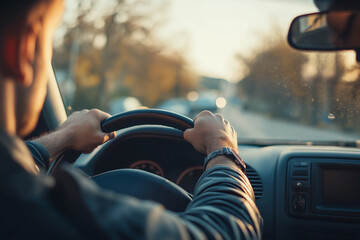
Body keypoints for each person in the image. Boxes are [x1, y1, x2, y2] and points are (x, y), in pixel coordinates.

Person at [0, 0, 262, 239]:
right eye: (49, 44)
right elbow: (226, 230)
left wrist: (63, 136)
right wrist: (222, 147)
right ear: (24, 47)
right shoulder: (45, 213)